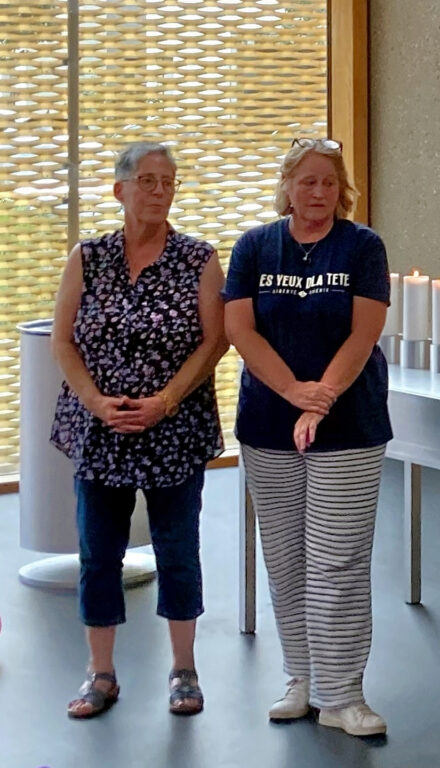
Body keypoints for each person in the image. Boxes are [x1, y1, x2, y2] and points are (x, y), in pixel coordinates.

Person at [51, 141, 227, 718]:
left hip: (172, 428)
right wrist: (98, 403)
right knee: (97, 554)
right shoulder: (88, 256)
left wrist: (167, 400)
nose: (158, 191)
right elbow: (63, 340)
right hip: (101, 428)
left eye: (168, 182)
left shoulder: (198, 259)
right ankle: (100, 674)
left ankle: (184, 670)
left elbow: (215, 339)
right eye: (147, 180)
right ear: (120, 189)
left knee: (178, 550)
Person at [223, 138, 392, 736]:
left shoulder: (363, 247)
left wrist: (321, 399)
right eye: (307, 182)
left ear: (340, 189)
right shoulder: (253, 246)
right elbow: (239, 328)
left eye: (328, 183)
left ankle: (342, 695)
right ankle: (301, 678)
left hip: (349, 425)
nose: (317, 193)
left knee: (337, 560)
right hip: (269, 423)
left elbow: (363, 334)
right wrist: (294, 392)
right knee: (287, 557)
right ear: (288, 186)